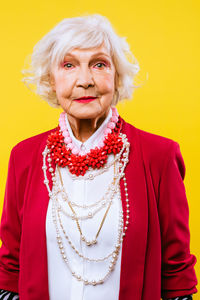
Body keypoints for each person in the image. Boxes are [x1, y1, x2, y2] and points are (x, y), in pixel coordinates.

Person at [0, 14, 197, 300]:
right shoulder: (25, 157)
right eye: (68, 65)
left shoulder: (160, 157)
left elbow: (176, 275)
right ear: (51, 80)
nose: (85, 81)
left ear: (117, 77)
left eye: (99, 64)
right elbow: (10, 270)